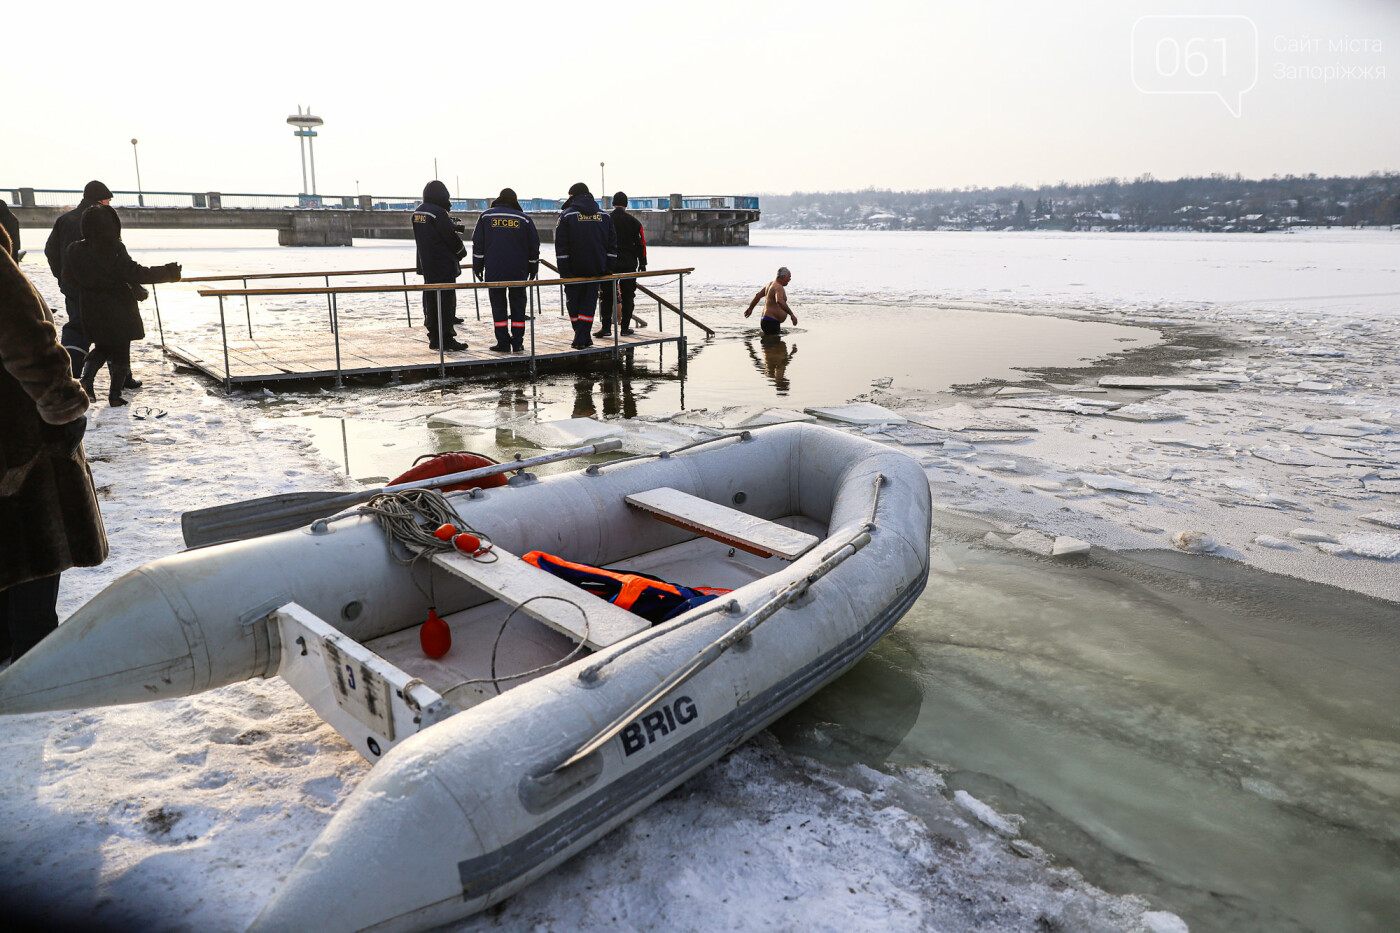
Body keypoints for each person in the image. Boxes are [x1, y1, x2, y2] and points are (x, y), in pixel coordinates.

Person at [0, 223, 108, 665]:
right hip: (16, 435)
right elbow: (28, 339)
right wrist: (63, 409)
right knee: (32, 549)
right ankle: (38, 660)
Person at [63, 205, 181, 407]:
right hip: (117, 307)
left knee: (102, 346)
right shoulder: (114, 249)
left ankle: (86, 380)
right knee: (120, 350)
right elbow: (136, 273)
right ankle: (115, 395)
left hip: (90, 306)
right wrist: (169, 273)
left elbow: (68, 279)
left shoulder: (74, 249)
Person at [44, 180, 114, 377]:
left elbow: (50, 251)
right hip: (100, 288)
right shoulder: (102, 220)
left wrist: (62, 276)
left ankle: (68, 373)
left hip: (72, 286)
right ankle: (121, 378)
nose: (109, 204)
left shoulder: (64, 220)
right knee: (111, 331)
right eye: (107, 200)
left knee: (76, 327)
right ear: (100, 200)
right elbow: (112, 256)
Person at [471, 188, 539, 352]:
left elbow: (478, 244)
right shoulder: (524, 219)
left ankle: (502, 342)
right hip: (518, 271)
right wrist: (533, 267)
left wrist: (477, 266)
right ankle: (517, 342)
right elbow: (533, 247)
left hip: (494, 270)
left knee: (498, 306)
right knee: (518, 306)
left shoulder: (486, 217)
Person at [554, 182, 616, 349]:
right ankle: (584, 336)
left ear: (572, 196)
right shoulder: (604, 217)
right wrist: (608, 267)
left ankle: (581, 338)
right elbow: (612, 245)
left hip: (573, 271)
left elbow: (561, 245)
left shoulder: (567, 216)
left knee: (573, 304)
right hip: (596, 269)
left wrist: (564, 269)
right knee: (588, 304)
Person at [411, 180, 468, 352]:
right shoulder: (437, 213)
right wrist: (461, 252)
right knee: (445, 303)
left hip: (428, 266)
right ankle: (447, 338)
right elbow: (450, 237)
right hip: (443, 266)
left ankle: (434, 337)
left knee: (431, 303)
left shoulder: (418, 212)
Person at [596, 192, 647, 338]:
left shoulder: (606, 221)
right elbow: (641, 244)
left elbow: (600, 243)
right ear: (626, 204)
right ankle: (625, 327)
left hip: (609, 265)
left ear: (613, 203)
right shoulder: (634, 222)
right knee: (628, 296)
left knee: (606, 296)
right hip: (629, 264)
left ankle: (606, 327)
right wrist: (642, 263)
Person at [743, 266, 798, 335]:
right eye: (789, 277)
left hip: (766, 321)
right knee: (775, 344)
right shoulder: (778, 287)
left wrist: (750, 308)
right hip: (771, 322)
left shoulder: (770, 284)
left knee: (770, 343)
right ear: (783, 277)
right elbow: (779, 301)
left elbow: (758, 296)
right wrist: (791, 314)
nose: (790, 279)